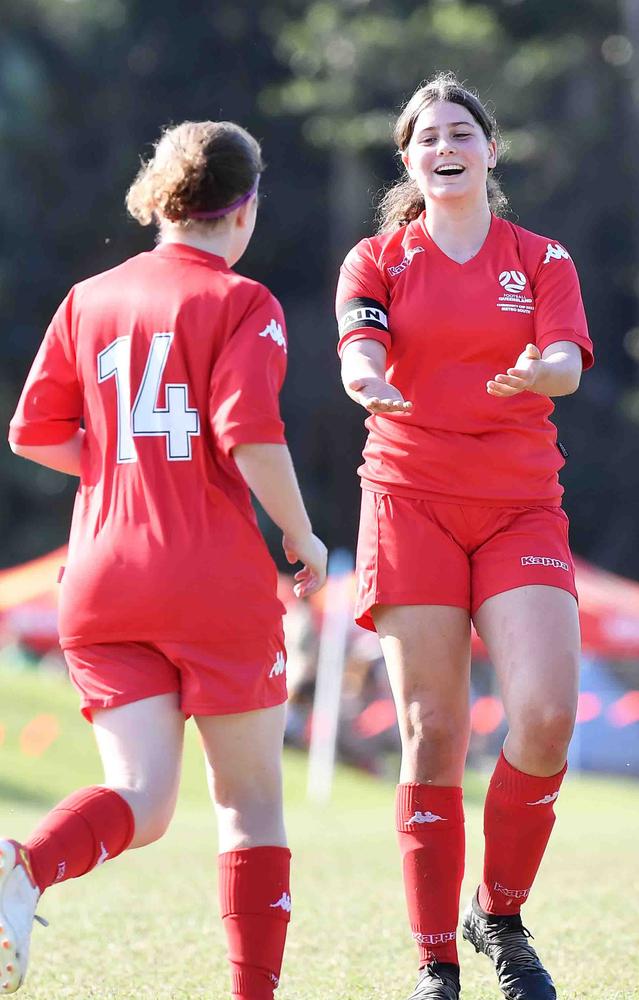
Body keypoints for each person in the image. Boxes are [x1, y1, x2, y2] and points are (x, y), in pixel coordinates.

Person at [3, 119, 327, 999]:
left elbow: (32, 434)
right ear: (245, 206)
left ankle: (24, 869)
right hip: (211, 579)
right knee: (249, 800)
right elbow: (250, 433)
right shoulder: (242, 302)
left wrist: (122, 464)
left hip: (102, 578)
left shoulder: (90, 295)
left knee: (141, 801)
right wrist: (301, 535)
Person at [335, 72, 592, 1000]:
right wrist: (369, 376)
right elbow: (359, 342)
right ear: (408, 160)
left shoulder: (544, 258)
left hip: (520, 504)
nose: (444, 146)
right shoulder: (376, 258)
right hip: (410, 499)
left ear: (490, 149)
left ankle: (501, 912)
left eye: (460, 131)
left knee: (547, 717)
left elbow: (564, 358)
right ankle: (437, 960)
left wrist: (541, 370)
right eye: (426, 137)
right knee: (432, 728)